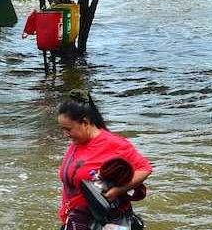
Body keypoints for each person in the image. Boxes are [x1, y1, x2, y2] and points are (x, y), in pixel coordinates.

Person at [57, 96, 152, 230]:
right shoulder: (76, 143)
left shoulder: (114, 144)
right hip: (77, 219)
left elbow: (144, 169)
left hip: (106, 221)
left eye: (68, 129)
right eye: (63, 129)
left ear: (85, 122)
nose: (65, 134)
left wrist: (118, 191)